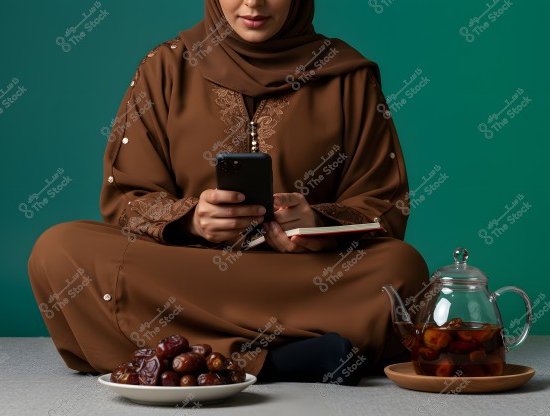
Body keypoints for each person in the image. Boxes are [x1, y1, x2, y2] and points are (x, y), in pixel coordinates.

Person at [28, 0, 429, 386]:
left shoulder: (347, 76)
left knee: (401, 267)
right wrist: (191, 220)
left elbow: (383, 204)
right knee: (58, 250)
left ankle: (202, 352)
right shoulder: (166, 67)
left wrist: (315, 223)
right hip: (189, 271)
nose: (253, 4)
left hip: (303, 278)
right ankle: (283, 359)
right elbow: (127, 199)